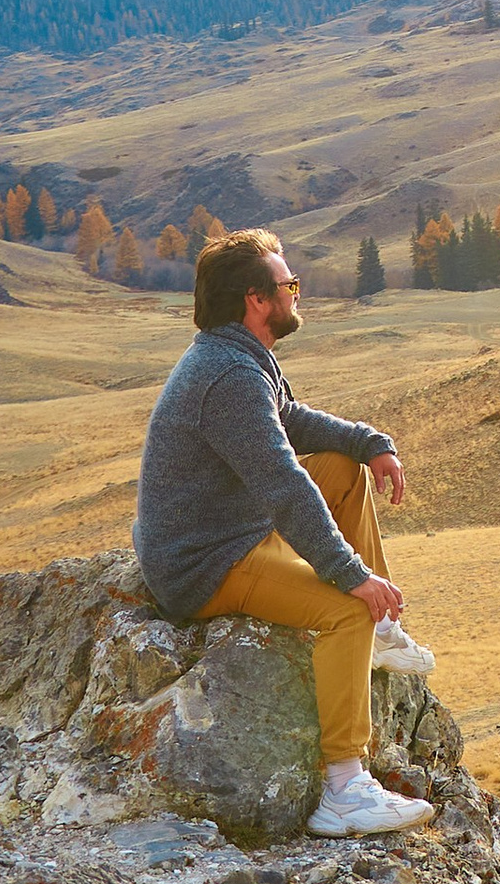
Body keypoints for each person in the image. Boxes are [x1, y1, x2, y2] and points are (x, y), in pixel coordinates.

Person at [134, 224, 439, 839]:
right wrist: (353, 578)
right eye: (288, 283)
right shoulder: (231, 379)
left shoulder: (242, 356)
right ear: (256, 298)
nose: (297, 293)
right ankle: (345, 788)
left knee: (343, 470)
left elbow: (290, 421)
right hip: (205, 564)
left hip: (230, 529)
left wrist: (371, 444)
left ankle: (381, 632)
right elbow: (283, 486)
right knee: (344, 611)